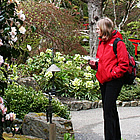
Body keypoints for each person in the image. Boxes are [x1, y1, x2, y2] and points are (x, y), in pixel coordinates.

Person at [89, 17, 129, 140]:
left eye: (97, 29)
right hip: (103, 80)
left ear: (104, 29)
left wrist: (112, 74)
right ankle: (115, 137)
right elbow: (101, 61)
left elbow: (124, 65)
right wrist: (94, 65)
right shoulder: (101, 43)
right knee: (110, 110)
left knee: (107, 111)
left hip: (113, 80)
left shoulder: (118, 43)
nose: (96, 31)